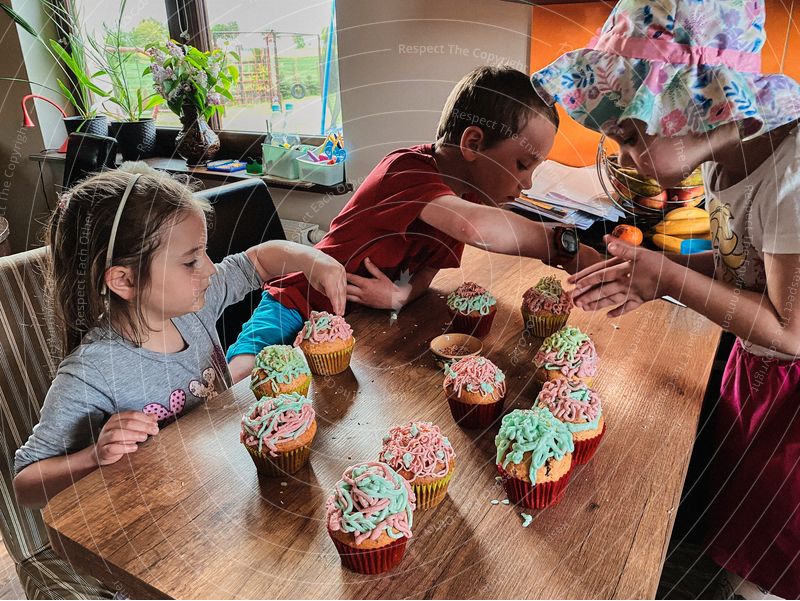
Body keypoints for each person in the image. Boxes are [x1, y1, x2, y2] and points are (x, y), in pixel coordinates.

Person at [533, 0, 800, 599]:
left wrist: (667, 278)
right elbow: (742, 266)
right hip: (755, 376)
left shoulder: (794, 174)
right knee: (738, 541)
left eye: (629, 136)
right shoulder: (722, 158)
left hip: (792, 406)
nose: (626, 158)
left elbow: (791, 329)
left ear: (699, 105)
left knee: (776, 566)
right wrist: (661, 270)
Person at [226, 65, 604, 382]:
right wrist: (559, 246)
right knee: (244, 375)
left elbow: (426, 271)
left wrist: (401, 296)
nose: (527, 184)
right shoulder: (405, 172)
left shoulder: (463, 200)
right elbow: (476, 227)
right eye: (523, 164)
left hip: (358, 323)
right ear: (472, 143)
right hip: (298, 300)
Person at [13, 168, 346, 508]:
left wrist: (313, 259)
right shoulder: (92, 372)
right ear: (124, 281)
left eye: (203, 253)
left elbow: (259, 261)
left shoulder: (192, 306)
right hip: (160, 517)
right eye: (190, 261)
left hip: (221, 487)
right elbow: (25, 482)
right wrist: (93, 456)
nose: (210, 269)